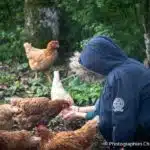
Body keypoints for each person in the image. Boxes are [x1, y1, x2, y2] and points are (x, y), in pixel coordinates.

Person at [60, 36, 150, 150]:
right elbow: (105, 107)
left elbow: (123, 120)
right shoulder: (129, 65)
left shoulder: (120, 77)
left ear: (97, 63)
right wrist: (78, 110)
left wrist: (120, 146)